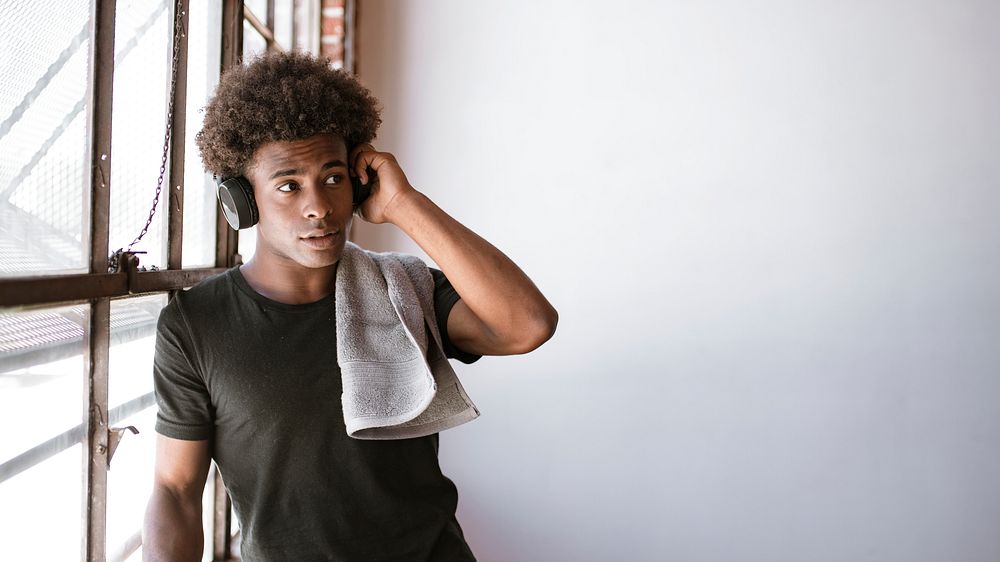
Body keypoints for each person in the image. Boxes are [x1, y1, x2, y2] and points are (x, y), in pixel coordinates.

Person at [141, 51, 557, 561]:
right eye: (288, 185)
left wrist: (404, 204)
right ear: (242, 200)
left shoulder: (404, 290)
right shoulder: (195, 324)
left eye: (334, 177)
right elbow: (176, 493)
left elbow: (527, 325)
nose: (319, 206)